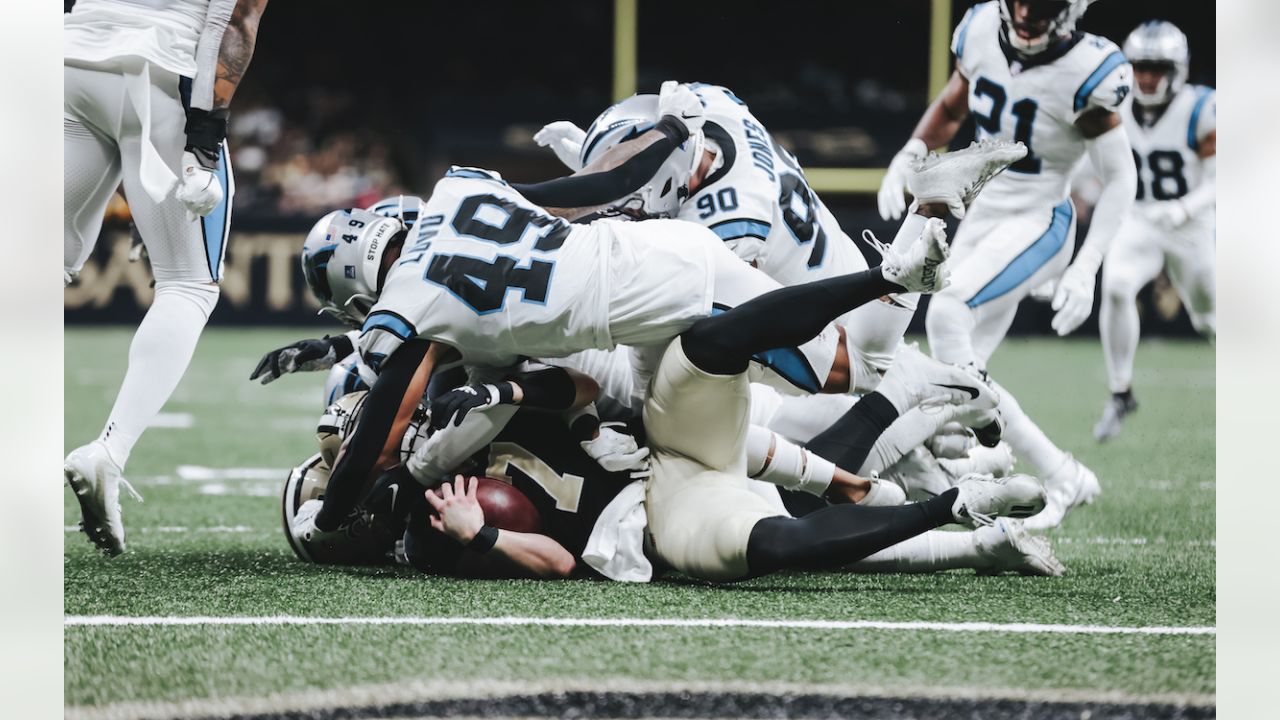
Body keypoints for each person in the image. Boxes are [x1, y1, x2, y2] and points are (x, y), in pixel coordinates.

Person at [288, 140, 1026, 542]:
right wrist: (651, 160)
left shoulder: (412, 309)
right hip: (644, 269)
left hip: (662, 292)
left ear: (358, 282)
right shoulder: (458, 189)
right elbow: (581, 195)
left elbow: (379, 437)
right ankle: (904, 464)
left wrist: (328, 519)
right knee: (685, 428)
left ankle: (911, 246)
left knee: (849, 364)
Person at [876, 0, 1138, 529]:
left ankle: (1057, 474)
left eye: (1042, 4)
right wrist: (910, 152)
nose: (1026, 13)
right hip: (985, 212)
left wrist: (1087, 266)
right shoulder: (978, 30)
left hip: (1041, 218)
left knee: (947, 312)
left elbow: (1122, 177)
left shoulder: (1087, 69)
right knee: (956, 366)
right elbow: (954, 105)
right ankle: (984, 470)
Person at [536, 82, 939, 389]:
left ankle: (925, 217)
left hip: (833, 336)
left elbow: (660, 361)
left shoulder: (717, 229)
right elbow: (651, 146)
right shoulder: (712, 107)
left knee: (663, 378)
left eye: (629, 202)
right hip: (831, 263)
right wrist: (594, 165)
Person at [63, 0, 269, 555]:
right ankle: (109, 452)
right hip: (156, 69)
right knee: (188, 284)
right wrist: (205, 137)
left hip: (68, 59)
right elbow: (238, 20)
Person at [1094, 21, 1215, 441]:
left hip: (1192, 225)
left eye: (1156, 68)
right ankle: (1120, 390)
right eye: (1139, 67)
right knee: (1116, 287)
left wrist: (1184, 208)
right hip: (1139, 217)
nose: (1146, 77)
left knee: (1211, 318)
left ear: (1177, 70)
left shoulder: (1202, 108)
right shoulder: (1115, 104)